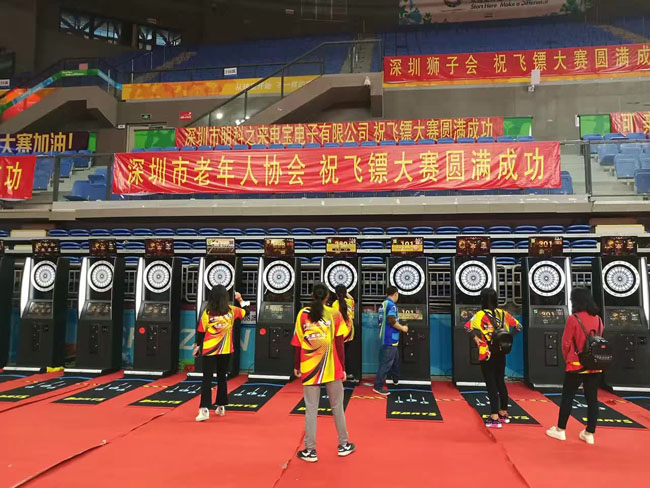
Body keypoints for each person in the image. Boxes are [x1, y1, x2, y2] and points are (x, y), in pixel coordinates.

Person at [292, 283, 355, 462]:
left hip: (309, 367)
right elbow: (340, 343)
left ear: (312, 295)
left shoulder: (302, 314)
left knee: (311, 409)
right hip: (332, 367)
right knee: (337, 407)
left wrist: (297, 366)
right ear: (327, 297)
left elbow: (298, 343)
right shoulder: (334, 314)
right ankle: (344, 445)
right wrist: (343, 368)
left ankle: (310, 450)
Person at [546, 287, 603, 445]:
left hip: (575, 365)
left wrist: (568, 359)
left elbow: (565, 343)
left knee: (568, 397)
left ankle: (560, 430)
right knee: (592, 399)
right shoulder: (598, 319)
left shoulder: (573, 318)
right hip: (594, 365)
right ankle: (589, 433)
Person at [465, 288, 522, 429]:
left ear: (482, 300)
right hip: (501, 352)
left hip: (487, 353)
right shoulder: (503, 314)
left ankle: (494, 416)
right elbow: (518, 326)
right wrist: (508, 338)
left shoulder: (479, 315)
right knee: (500, 381)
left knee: (491, 384)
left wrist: (477, 340)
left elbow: (467, 327)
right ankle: (504, 412)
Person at [193, 285, 248, 422]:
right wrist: (240, 299)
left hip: (210, 350)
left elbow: (201, 332)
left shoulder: (207, 313)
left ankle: (204, 409)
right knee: (222, 377)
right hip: (226, 350)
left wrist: (197, 346)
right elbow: (246, 311)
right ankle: (221, 406)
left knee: (207, 379)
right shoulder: (232, 311)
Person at [373, 286, 408, 396]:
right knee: (386, 363)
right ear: (396, 294)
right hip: (390, 339)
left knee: (394, 360)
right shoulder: (391, 305)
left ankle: (395, 379)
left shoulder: (383, 304)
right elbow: (391, 320)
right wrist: (403, 328)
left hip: (386, 337)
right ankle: (378, 386)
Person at [331, 284, 356, 380]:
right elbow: (352, 298)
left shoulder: (334, 304)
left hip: (339, 332)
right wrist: (346, 293)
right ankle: (348, 373)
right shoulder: (350, 302)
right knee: (347, 353)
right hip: (349, 331)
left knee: (338, 353)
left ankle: (339, 372)